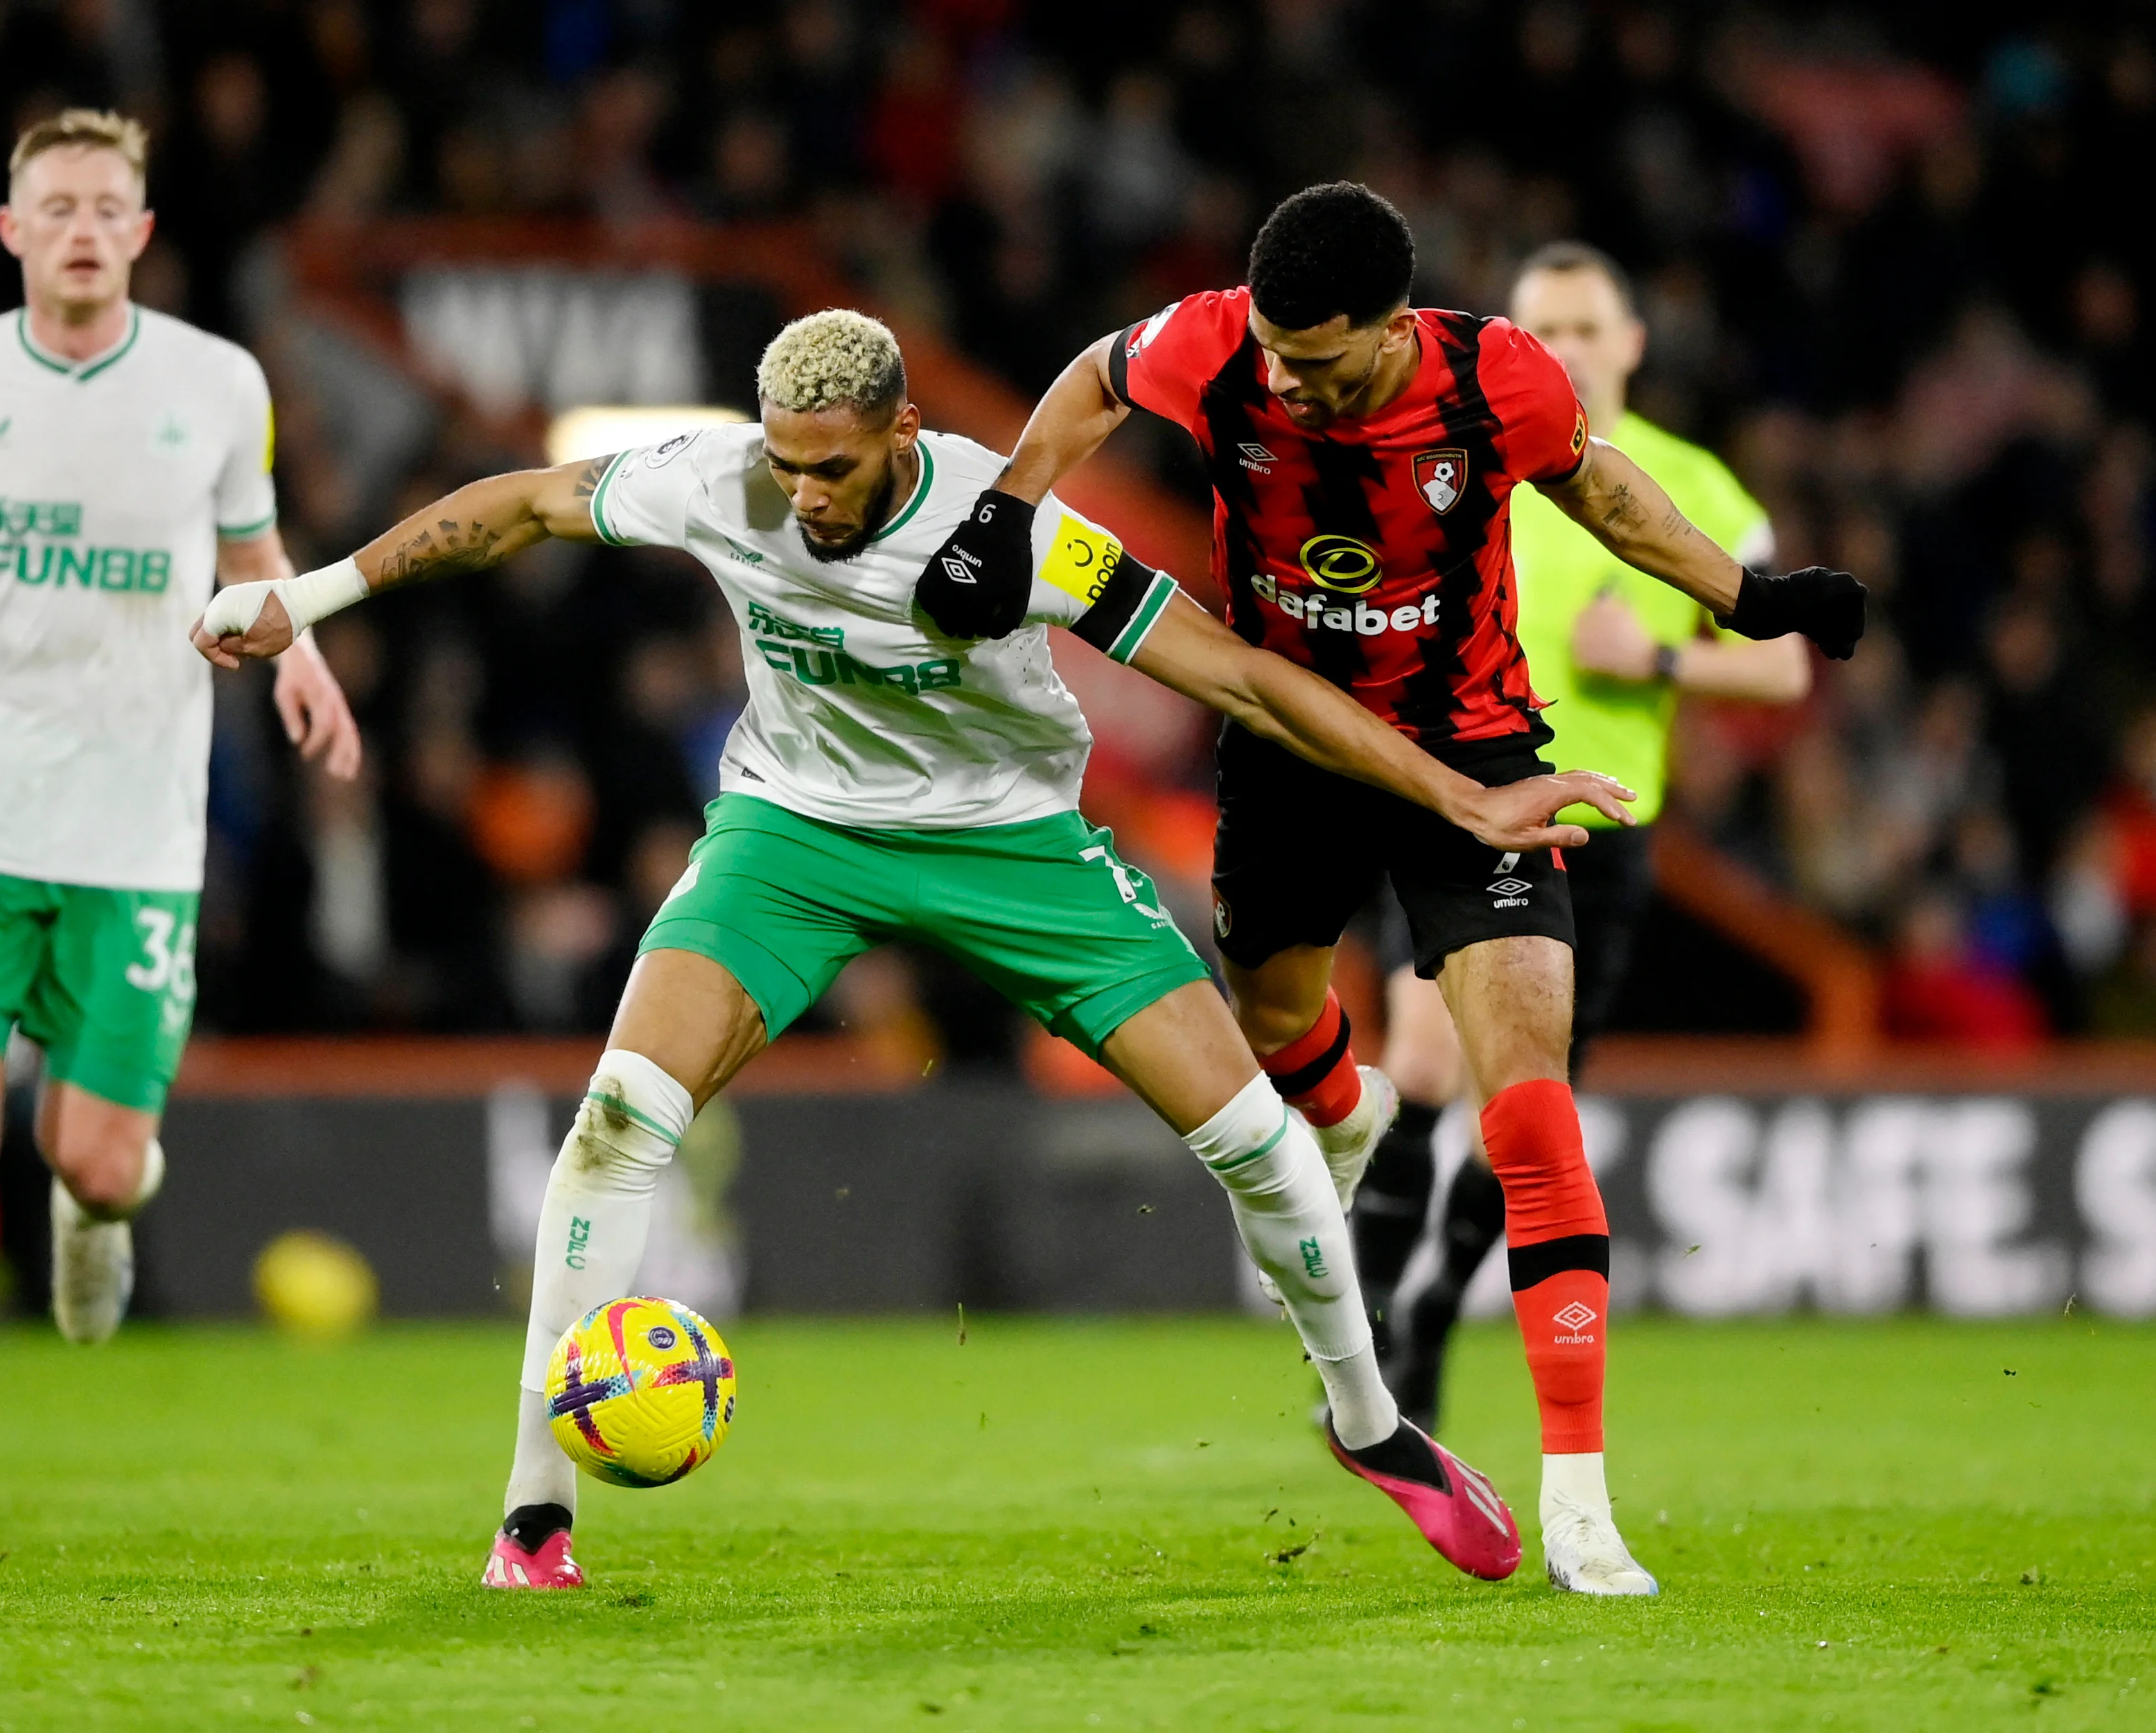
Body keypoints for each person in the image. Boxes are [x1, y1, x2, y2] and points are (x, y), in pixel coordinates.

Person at [197, 308, 1638, 1592]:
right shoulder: (719, 478)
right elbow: (517, 505)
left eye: (831, 466)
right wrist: (305, 597)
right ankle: (532, 1514)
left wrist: (1457, 795)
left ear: (904, 431)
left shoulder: (1011, 531)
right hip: (794, 833)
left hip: (1012, 845)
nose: (804, 495)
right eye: (786, 465)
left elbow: (1243, 677)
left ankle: (1372, 1424)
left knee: (1261, 1144)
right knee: (616, 1120)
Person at [922, 182, 1865, 1595]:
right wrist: (1008, 504)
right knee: (1269, 1017)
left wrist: (1748, 598)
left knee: (1529, 1106)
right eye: (1274, 356)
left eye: (1315, 362)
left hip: (1475, 750)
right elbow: (1096, 379)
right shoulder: (1219, 343)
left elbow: (1603, 491)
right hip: (1288, 747)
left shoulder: (1495, 380)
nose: (1287, 383)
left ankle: (1580, 1500)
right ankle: (1346, 1115)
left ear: (1390, 326)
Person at [0, 109, 362, 1523]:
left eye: (110, 205)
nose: (85, 228)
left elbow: (252, 555)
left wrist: (300, 654)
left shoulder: (217, 383)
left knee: (97, 1161)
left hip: (137, 821)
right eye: (57, 206)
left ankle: (94, 1206)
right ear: (12, 230)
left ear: (144, 230)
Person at [1362, 242, 1812, 1435]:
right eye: (1541, 330)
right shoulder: (1467, 461)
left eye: (1582, 328)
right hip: (1457, 805)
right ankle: (1363, 1342)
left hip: (1599, 836)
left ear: (1629, 342)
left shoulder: (1693, 487)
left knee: (1523, 1105)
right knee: (1418, 1067)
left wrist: (1654, 656)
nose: (1562, 350)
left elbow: (1783, 667)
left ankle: (1427, 1318)